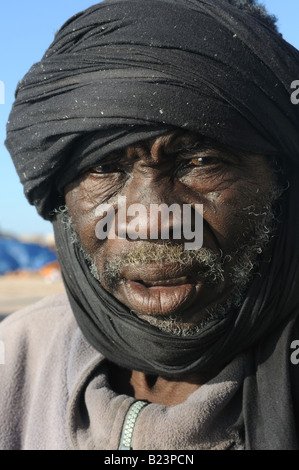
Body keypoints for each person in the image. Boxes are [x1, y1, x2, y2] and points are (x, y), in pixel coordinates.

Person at [1, 0, 299, 451]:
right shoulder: (16, 358)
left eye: (200, 162)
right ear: (61, 195)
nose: (152, 221)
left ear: (280, 180)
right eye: (103, 168)